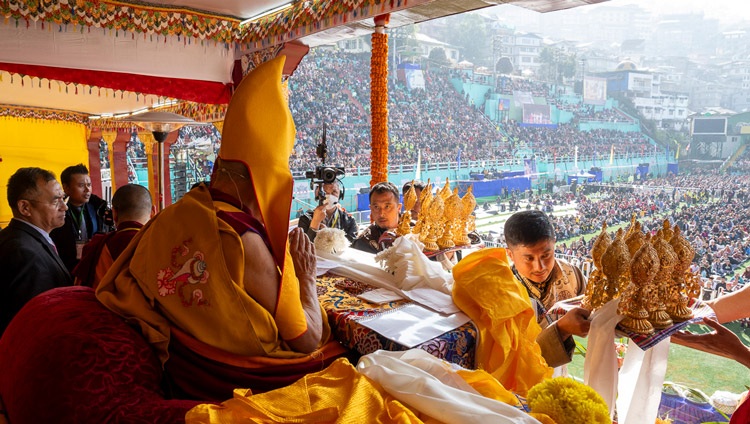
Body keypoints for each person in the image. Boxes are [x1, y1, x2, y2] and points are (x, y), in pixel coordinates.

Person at [95, 55, 344, 401]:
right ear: (263, 179)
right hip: (238, 377)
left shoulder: (179, 211)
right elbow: (307, 338)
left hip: (183, 360)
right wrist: (305, 276)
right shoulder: (243, 239)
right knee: (344, 354)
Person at [504, 210, 591, 368]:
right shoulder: (502, 291)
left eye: (546, 255)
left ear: (554, 244)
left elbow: (594, 306)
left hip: (560, 369)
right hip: (521, 380)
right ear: (510, 254)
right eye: (529, 258)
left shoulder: (572, 275)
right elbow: (512, 360)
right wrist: (561, 330)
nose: (540, 267)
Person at [0, 167, 73, 335]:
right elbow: (32, 322)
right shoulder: (22, 253)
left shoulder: (25, 239)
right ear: (25, 207)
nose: (64, 207)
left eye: (63, 199)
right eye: (56, 201)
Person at [72, 184, 154, 289]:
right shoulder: (159, 243)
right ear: (153, 212)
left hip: (104, 305)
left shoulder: (97, 246)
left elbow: (80, 287)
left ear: (114, 213)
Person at [50, 163, 113, 273]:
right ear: (66, 188)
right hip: (66, 268)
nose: (87, 189)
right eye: (81, 185)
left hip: (94, 266)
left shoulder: (99, 208)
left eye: (89, 184)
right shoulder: (56, 212)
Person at [351, 181, 402, 254]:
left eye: (387, 207)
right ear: (370, 208)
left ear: (399, 207)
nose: (381, 213)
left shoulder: (416, 230)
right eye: (376, 207)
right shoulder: (364, 242)